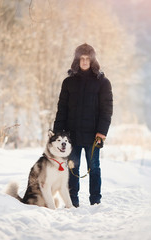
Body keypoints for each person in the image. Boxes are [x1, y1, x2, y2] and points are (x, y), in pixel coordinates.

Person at [53, 43, 113, 207]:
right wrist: (58, 134)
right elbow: (62, 110)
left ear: (92, 60)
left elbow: (106, 110)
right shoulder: (68, 83)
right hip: (71, 136)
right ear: (77, 60)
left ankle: (95, 201)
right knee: (72, 169)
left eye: (88, 59)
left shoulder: (103, 83)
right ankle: (73, 201)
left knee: (94, 168)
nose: (85, 61)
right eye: (82, 58)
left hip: (94, 135)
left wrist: (101, 133)